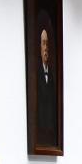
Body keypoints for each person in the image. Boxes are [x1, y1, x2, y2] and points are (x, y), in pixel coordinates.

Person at [34, 15, 58, 147]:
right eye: (43, 43)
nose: (46, 48)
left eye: (48, 43)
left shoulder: (53, 77)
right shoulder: (36, 75)